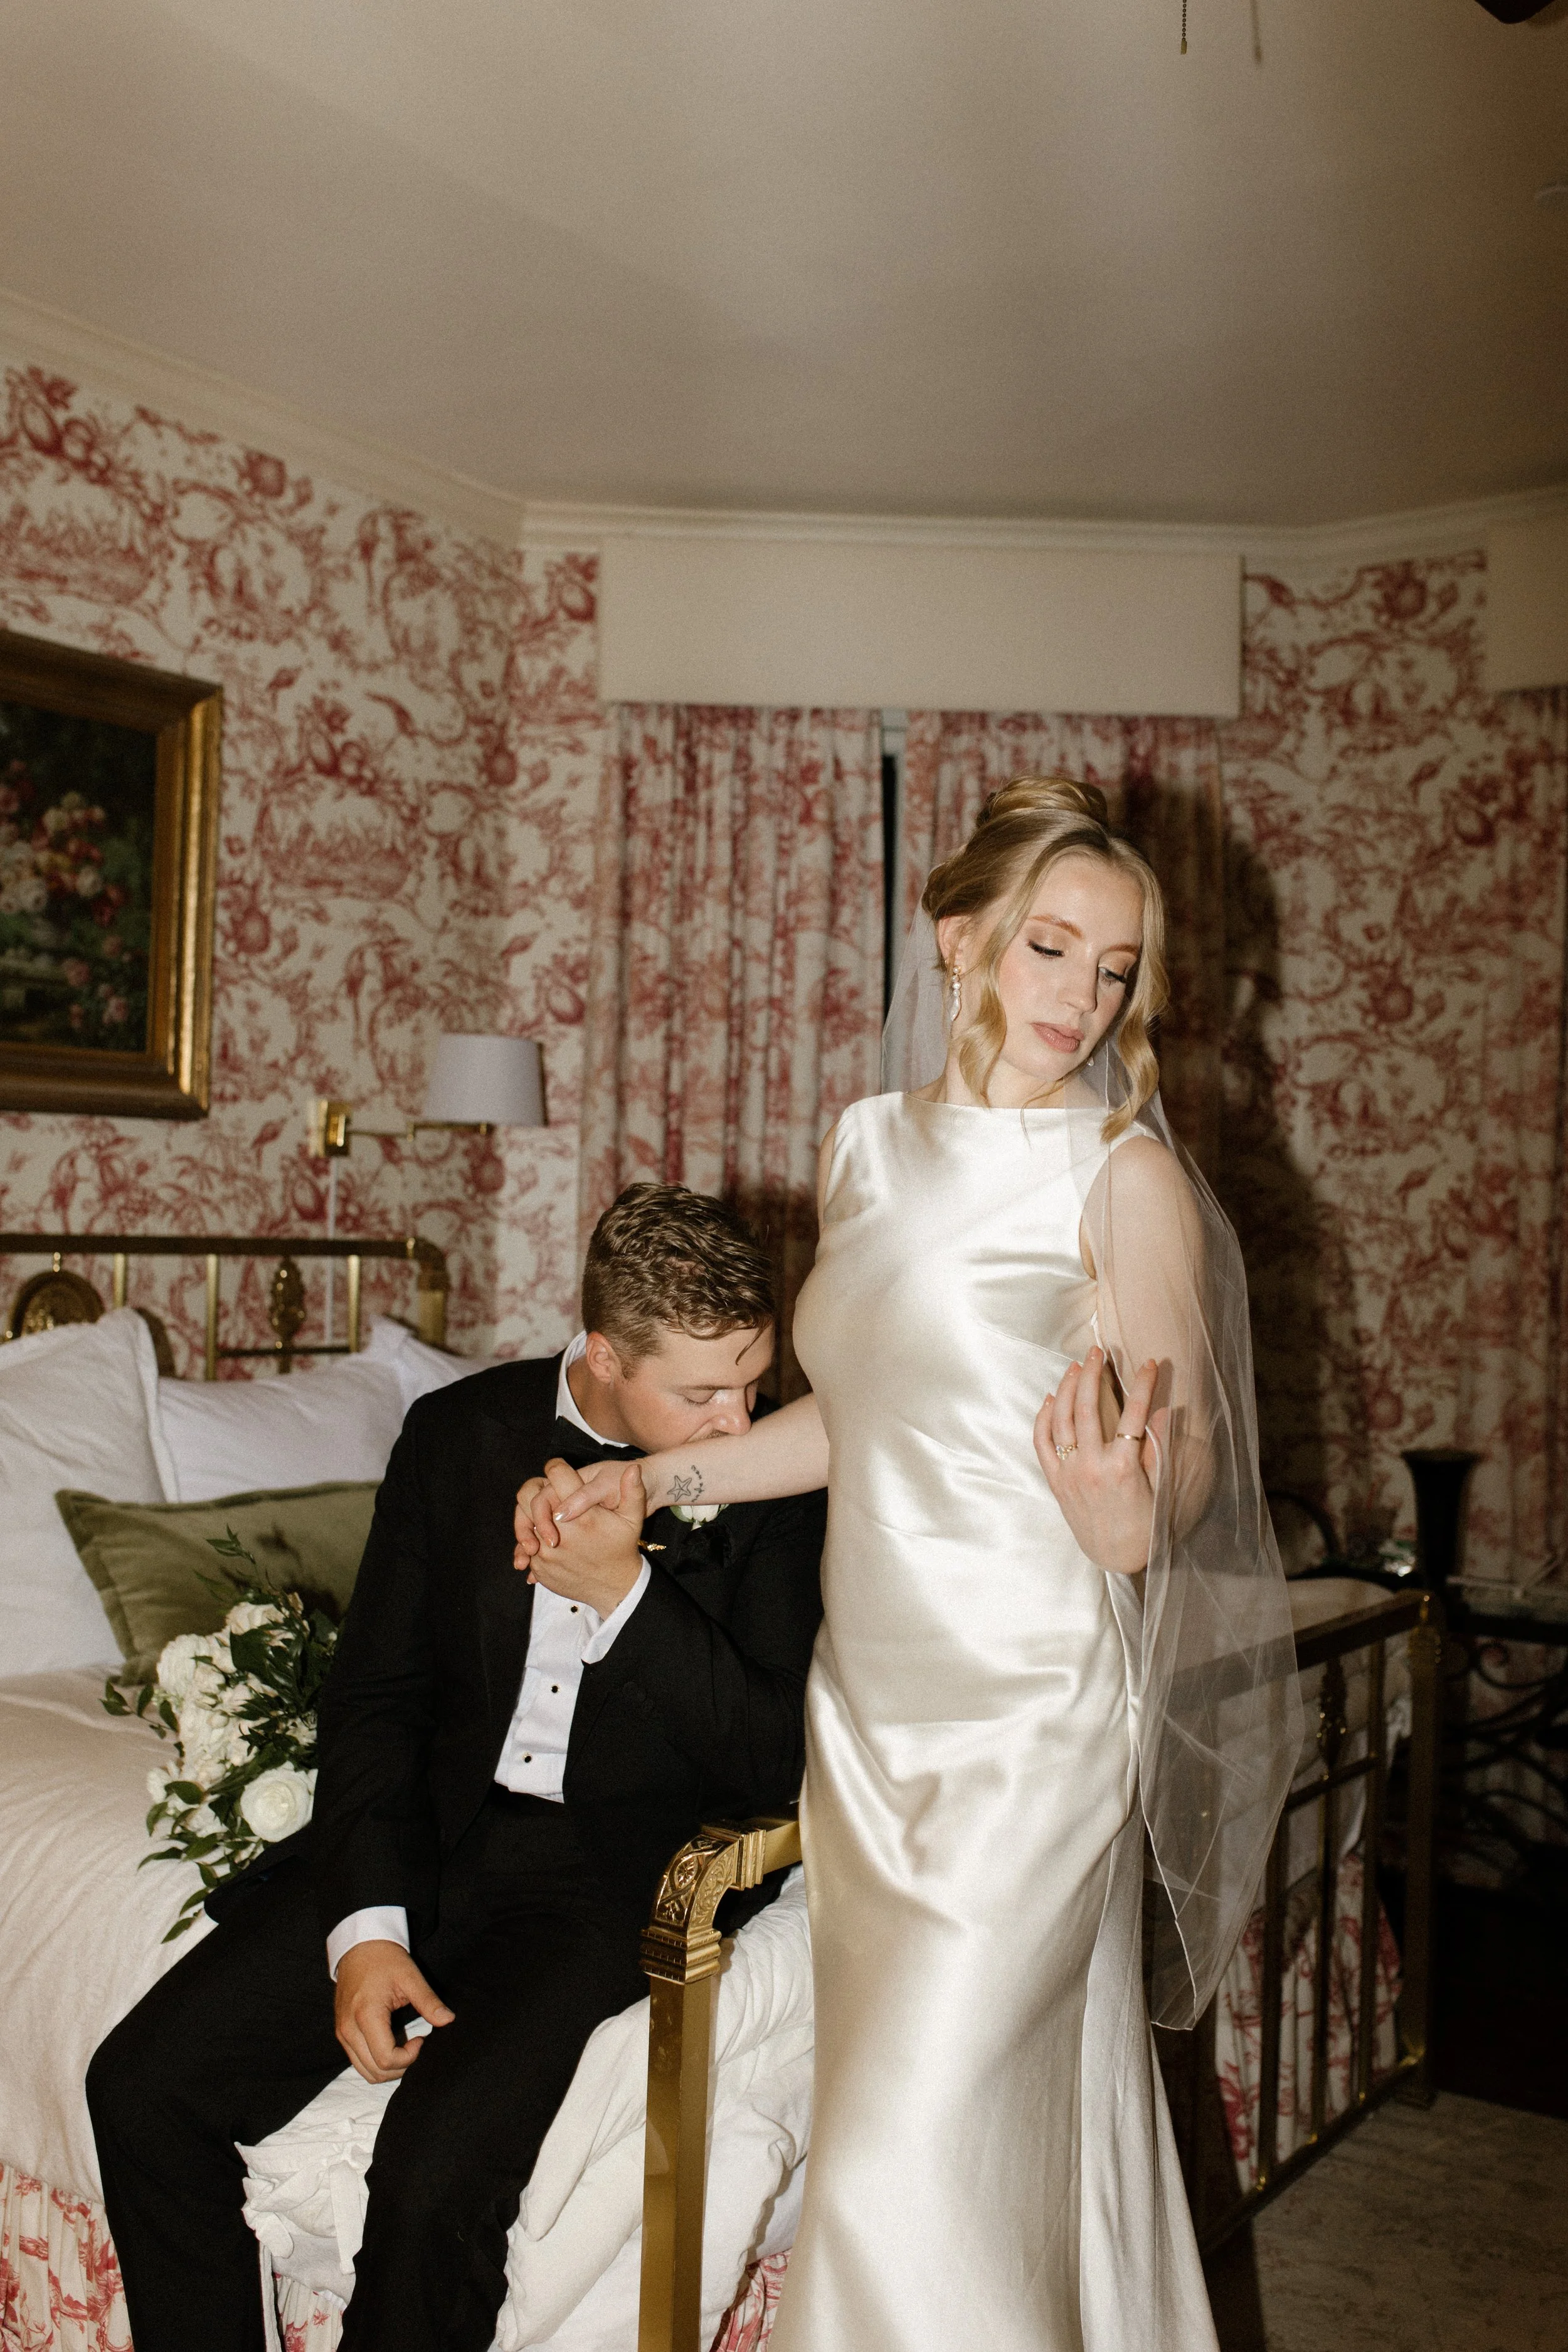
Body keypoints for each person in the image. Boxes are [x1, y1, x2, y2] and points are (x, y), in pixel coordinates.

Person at [519, 780, 1300, 2352]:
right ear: (958, 940)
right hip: (867, 1720)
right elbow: (857, 1419)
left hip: (1027, 1722)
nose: (1082, 998)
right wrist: (651, 1477)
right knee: (960, 2138)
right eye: (1048, 948)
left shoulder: (1118, 1175)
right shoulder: (864, 1147)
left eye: (1115, 969)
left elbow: (1187, 1450)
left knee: (905, 2155)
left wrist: (1130, 1516)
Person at [87, 1182, 825, 2352]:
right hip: (426, 1837)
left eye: (753, 1379)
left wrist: (627, 1600)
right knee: (141, 2088)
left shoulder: (775, 1481)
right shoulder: (454, 1432)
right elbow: (378, 1700)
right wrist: (366, 1930)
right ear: (602, 1353)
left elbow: (776, 1755)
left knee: (431, 2181)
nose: (741, 1419)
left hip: (605, 1879)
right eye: (703, 1392)